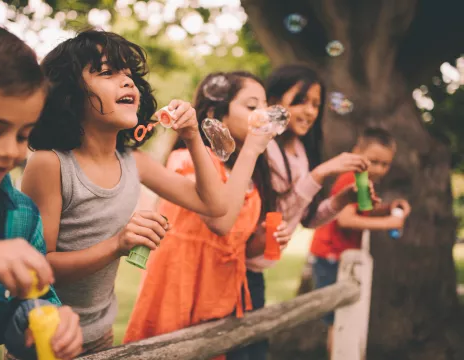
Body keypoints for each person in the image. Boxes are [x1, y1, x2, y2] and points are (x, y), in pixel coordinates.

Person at [21, 30, 227, 354]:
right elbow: (37, 267)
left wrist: (191, 136)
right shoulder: (50, 165)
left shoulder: (135, 162)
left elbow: (214, 205)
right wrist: (117, 244)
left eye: (129, 75)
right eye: (107, 72)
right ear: (69, 95)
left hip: (101, 337)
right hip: (46, 337)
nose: (128, 82)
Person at [124, 71, 291, 360]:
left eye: (265, 106)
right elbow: (220, 224)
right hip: (180, 290)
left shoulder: (246, 175)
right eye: (252, 106)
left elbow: (237, 244)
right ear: (217, 114)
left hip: (223, 298)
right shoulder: (187, 161)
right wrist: (252, 149)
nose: (262, 115)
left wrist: (263, 238)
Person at [243, 65, 371, 359]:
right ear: (273, 101)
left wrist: (343, 198)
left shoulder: (300, 151)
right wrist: (320, 174)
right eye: (300, 100)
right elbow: (273, 212)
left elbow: (307, 217)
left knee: (254, 347)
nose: (310, 111)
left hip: (256, 270)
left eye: (316, 104)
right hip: (239, 264)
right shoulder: (264, 148)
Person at [0, 20, 82, 360]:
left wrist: (47, 322)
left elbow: (23, 308)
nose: (11, 150)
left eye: (23, 135)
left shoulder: (22, 216)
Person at [310, 127, 411, 355]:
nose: (379, 169)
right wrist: (389, 224)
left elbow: (362, 210)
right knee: (338, 320)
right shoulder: (351, 178)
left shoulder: (364, 179)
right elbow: (346, 220)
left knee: (347, 317)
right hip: (331, 255)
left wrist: (387, 210)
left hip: (343, 257)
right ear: (357, 152)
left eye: (385, 164)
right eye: (374, 161)